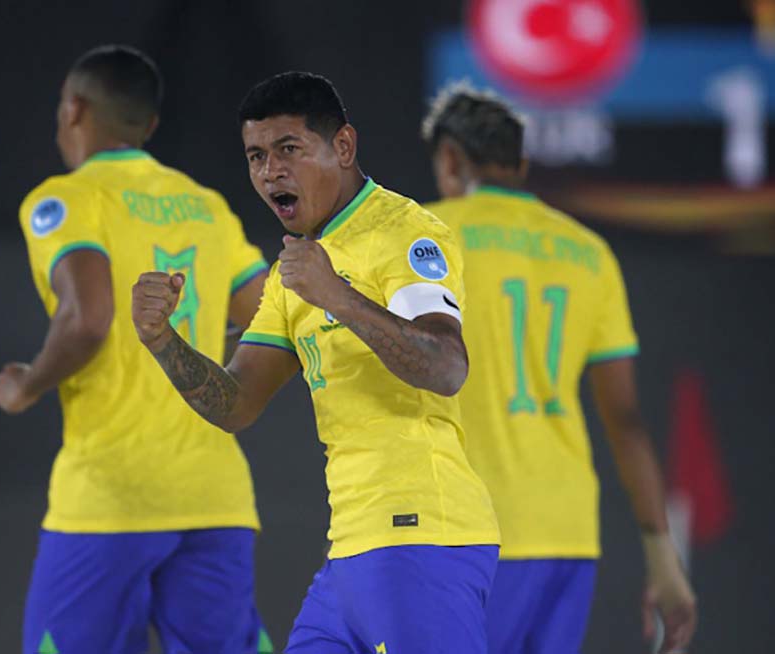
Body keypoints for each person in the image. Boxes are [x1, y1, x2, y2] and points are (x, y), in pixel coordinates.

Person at [132, 72, 502, 653]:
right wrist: (162, 341)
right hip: (351, 552)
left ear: (344, 148)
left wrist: (337, 296)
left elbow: (446, 366)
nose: (269, 171)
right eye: (256, 156)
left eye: (288, 150)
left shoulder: (403, 233)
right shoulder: (295, 271)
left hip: (421, 536)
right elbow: (237, 402)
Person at [0, 45, 273, 654]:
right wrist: (197, 341)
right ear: (148, 126)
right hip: (216, 497)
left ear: (73, 109)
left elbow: (88, 320)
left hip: (110, 500)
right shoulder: (207, 205)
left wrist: (28, 384)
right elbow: (267, 316)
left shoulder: (66, 200)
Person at [421, 84, 697, 654]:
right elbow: (625, 422)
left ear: (449, 160)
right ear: (520, 164)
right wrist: (663, 561)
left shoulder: (424, 236)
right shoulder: (588, 252)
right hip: (568, 537)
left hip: (466, 533)